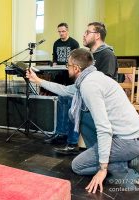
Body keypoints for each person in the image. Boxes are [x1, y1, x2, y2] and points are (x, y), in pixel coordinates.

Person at [26, 48, 139, 192]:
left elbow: (104, 128)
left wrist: (103, 168)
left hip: (128, 141)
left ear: (77, 68)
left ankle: (131, 162)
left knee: (78, 166)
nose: (67, 68)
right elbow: (65, 90)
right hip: (132, 137)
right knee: (80, 114)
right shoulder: (92, 76)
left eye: (68, 65)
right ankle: (111, 157)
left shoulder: (88, 86)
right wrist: (38, 80)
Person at [52, 22, 118, 155]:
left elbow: (106, 82)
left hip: (99, 97)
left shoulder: (107, 55)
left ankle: (72, 143)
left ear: (97, 35)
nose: (84, 35)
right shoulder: (90, 55)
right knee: (63, 96)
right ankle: (62, 134)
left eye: (87, 32)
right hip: (86, 91)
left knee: (72, 100)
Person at [44, 23, 80, 151]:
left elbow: (77, 61)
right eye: (59, 31)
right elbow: (54, 59)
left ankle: (70, 136)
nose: (61, 34)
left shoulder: (74, 43)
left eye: (63, 31)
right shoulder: (56, 43)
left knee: (70, 106)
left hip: (70, 77)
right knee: (60, 103)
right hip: (59, 76)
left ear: (67, 31)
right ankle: (60, 132)